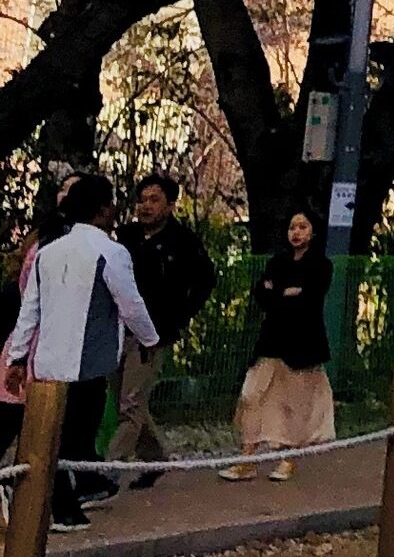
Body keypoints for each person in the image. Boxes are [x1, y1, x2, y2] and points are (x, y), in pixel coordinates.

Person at [3, 173, 158, 522]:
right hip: (89, 363)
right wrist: (149, 339)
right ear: (104, 210)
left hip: (45, 362)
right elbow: (130, 303)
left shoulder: (48, 251)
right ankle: (61, 510)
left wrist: (17, 357)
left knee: (48, 436)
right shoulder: (111, 252)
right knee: (72, 440)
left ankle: (49, 506)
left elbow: (30, 309)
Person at [107, 176, 216, 484]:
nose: (146, 206)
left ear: (169, 205)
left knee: (130, 405)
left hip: (153, 334)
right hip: (118, 328)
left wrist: (179, 316)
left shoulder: (183, 242)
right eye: (142, 199)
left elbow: (205, 280)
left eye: (154, 199)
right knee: (127, 401)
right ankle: (155, 459)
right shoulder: (126, 237)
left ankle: (108, 470)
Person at [224, 206, 334, 481]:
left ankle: (288, 458)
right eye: (292, 228)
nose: (296, 233)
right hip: (270, 342)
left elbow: (307, 300)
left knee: (293, 404)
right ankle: (247, 459)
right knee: (251, 396)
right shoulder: (278, 262)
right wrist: (282, 295)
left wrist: (284, 295)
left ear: (313, 231)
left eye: (302, 227)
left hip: (302, 345)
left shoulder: (320, 265)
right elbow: (263, 294)